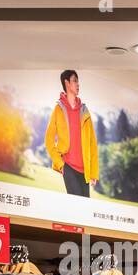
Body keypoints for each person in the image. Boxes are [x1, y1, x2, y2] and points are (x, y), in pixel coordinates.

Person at [44, 69, 99, 197]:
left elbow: (92, 143)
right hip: (68, 166)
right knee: (76, 206)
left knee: (84, 209)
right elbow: (49, 139)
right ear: (67, 83)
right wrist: (60, 164)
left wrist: (93, 172)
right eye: (75, 81)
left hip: (84, 170)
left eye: (78, 81)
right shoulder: (58, 109)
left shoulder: (84, 111)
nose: (78, 84)